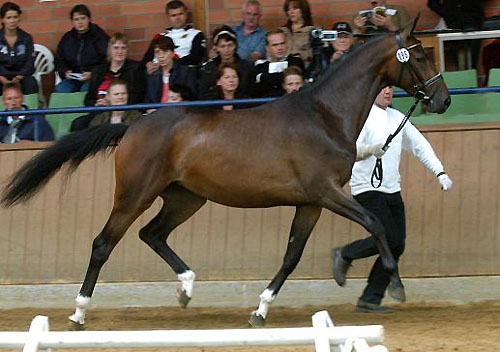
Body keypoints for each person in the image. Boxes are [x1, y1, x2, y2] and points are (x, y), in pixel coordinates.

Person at [331, 86, 453, 313]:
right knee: (389, 238)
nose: (387, 92)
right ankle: (345, 254)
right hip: (367, 188)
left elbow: (419, 146)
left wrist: (439, 172)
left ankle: (370, 298)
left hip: (391, 189)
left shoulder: (398, 118)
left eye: (390, 88)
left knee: (397, 244)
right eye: (382, 88)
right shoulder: (363, 117)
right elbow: (350, 150)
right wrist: (370, 150)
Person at [55, 4, 110, 93]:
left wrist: (92, 73)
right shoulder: (67, 38)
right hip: (73, 78)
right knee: (62, 89)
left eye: (83, 18)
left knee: (85, 90)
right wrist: (65, 72)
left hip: (94, 77)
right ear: (72, 22)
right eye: (76, 19)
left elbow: (107, 59)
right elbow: (59, 60)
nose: (80, 22)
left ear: (89, 19)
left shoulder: (99, 36)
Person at [142, 0, 206, 72]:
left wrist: (169, 64)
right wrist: (148, 64)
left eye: (180, 14)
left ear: (186, 14)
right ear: (168, 17)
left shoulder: (196, 34)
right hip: (157, 74)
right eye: (173, 15)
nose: (177, 18)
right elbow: (145, 60)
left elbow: (196, 58)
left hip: (183, 73)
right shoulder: (160, 36)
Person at [84, 33, 144, 107]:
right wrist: (96, 103)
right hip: (100, 112)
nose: (120, 52)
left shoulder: (136, 68)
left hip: (126, 111)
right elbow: (88, 99)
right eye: (116, 48)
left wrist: (112, 103)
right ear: (109, 50)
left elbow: (139, 96)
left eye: (123, 48)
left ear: (127, 50)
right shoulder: (98, 70)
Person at [198, 25, 253, 97]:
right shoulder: (209, 68)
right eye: (222, 46)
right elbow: (203, 92)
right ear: (216, 48)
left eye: (230, 45)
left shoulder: (245, 66)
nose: (226, 50)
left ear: (235, 46)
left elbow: (251, 91)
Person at [144, 35, 197, 104]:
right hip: (157, 113)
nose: (161, 56)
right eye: (157, 52)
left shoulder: (186, 72)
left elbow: (192, 98)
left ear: (172, 53)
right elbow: (147, 100)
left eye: (165, 51)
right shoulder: (152, 74)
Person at [252, 28, 305, 97]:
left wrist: (262, 77)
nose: (280, 48)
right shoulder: (260, 65)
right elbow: (255, 90)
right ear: (267, 48)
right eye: (275, 45)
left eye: (282, 43)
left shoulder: (295, 61)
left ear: (287, 44)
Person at [0, 2, 37, 95]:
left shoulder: (26, 38)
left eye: (15, 17)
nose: (12, 21)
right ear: (2, 19)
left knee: (31, 82)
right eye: (8, 18)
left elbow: (30, 61)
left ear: (19, 18)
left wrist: (18, 78)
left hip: (22, 76)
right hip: (1, 77)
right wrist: (2, 79)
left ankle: (30, 109)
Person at [279, 0, 315, 66]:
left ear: (303, 9)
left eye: (295, 9)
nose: (291, 12)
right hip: (283, 68)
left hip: (305, 68)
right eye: (288, 9)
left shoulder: (312, 31)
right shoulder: (281, 31)